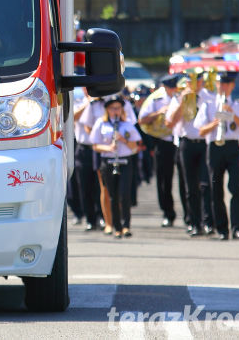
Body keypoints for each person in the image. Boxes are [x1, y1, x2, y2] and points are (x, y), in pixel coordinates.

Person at [193, 71, 239, 240]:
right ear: (217, 85)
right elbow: (200, 129)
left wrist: (232, 115)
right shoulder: (209, 105)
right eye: (220, 84)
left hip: (232, 146)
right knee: (215, 188)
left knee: (235, 187)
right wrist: (216, 122)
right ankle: (222, 229)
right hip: (214, 147)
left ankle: (237, 228)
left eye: (227, 84)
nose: (223, 87)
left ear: (232, 86)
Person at [81, 94, 138, 234]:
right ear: (107, 110)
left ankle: (126, 225)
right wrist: (109, 147)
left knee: (124, 194)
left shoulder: (126, 124)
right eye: (112, 109)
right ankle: (114, 226)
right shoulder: (101, 122)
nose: (115, 111)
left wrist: (123, 139)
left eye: (118, 108)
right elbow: (94, 143)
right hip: (108, 160)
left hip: (124, 160)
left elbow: (135, 146)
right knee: (110, 194)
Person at [165, 70, 209, 237]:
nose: (197, 84)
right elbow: (170, 123)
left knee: (205, 184)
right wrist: (184, 102)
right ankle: (194, 222)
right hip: (187, 143)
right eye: (192, 81)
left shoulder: (208, 96)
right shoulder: (178, 98)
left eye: (198, 80)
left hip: (205, 143)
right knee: (190, 187)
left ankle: (208, 221)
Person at [139, 75, 178, 228]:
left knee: (188, 181)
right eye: (170, 87)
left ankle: (192, 216)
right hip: (163, 142)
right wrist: (159, 112)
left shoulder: (182, 96)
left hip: (180, 139)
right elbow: (142, 119)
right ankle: (167, 213)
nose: (173, 90)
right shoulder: (155, 99)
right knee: (164, 180)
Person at [70, 87, 100, 230]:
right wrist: (88, 103)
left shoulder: (102, 103)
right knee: (84, 186)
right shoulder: (78, 102)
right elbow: (72, 117)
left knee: (100, 186)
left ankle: (102, 217)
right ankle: (90, 218)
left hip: (100, 149)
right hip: (83, 148)